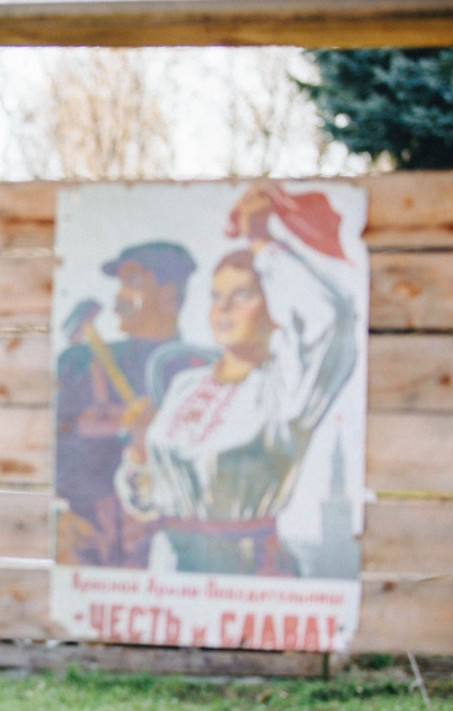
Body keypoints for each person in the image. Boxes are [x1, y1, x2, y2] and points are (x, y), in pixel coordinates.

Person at [116, 185, 357, 577]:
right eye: (216, 296)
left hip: (246, 574)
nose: (223, 308)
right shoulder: (186, 386)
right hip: (171, 571)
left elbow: (332, 319)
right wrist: (140, 455)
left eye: (242, 295)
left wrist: (263, 243)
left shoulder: (287, 387)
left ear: (275, 308)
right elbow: (148, 499)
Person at [55, 241, 199, 567]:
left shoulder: (199, 372)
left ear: (168, 294)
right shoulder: (80, 363)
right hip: (88, 542)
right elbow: (55, 452)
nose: (118, 297)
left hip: (172, 551)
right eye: (119, 284)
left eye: (133, 283)